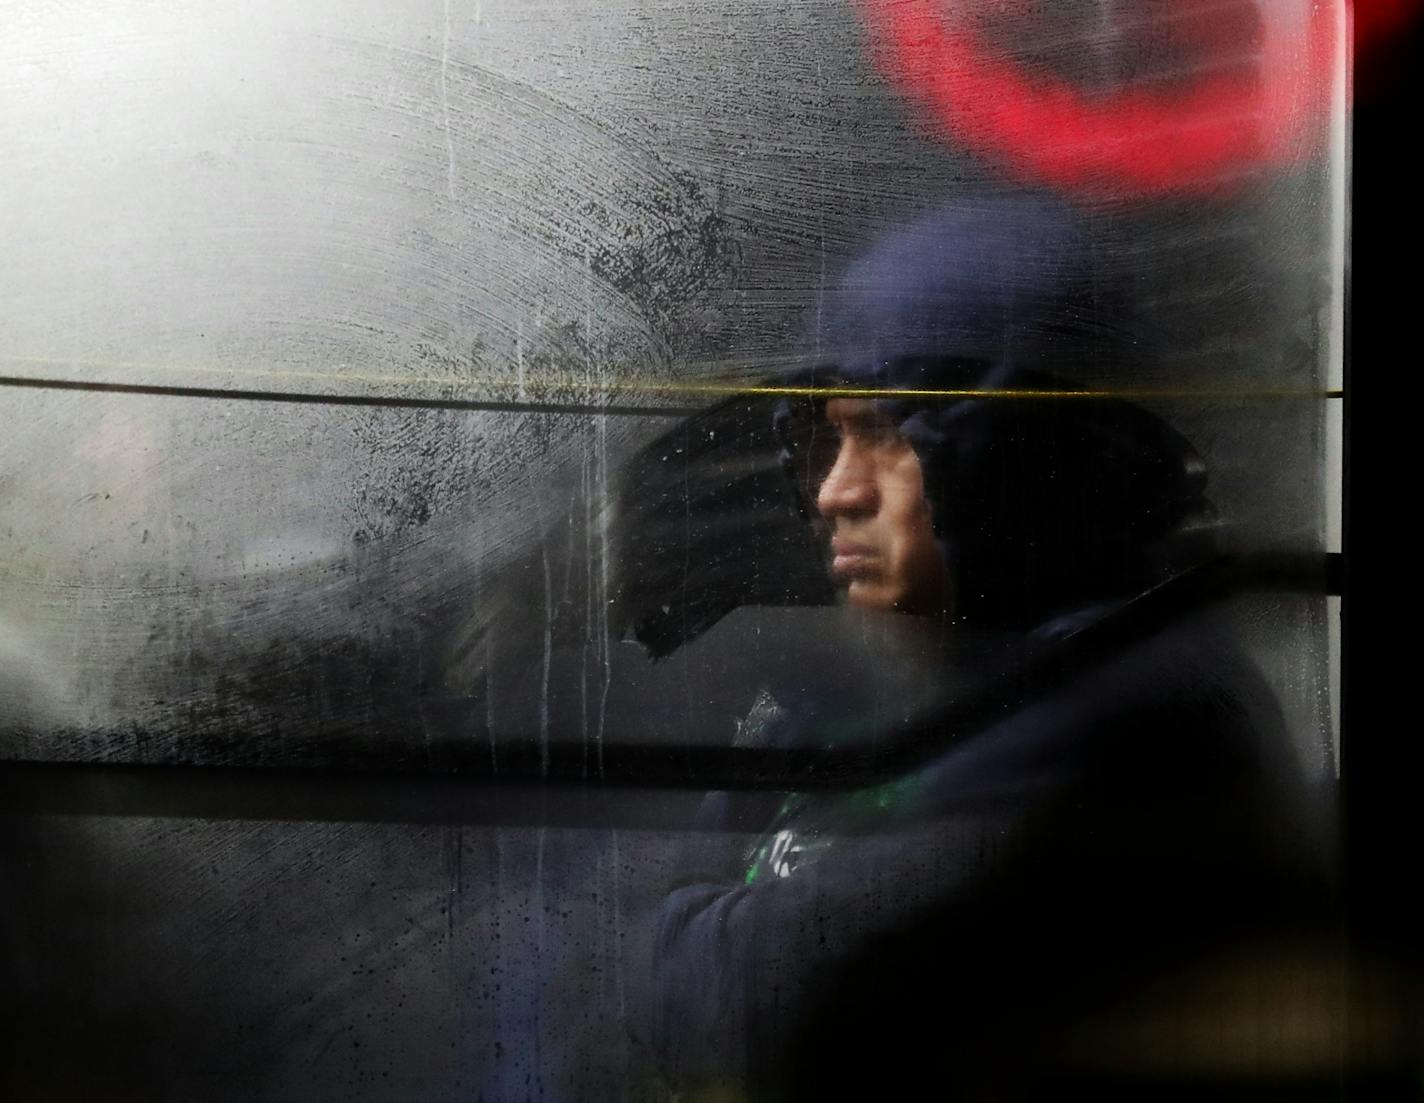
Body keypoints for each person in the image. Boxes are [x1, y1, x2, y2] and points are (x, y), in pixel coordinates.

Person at [625, 194, 1333, 1101]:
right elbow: (633, 959)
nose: (835, 492)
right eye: (820, 440)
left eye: (883, 432)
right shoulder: (912, 676)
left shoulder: (1140, 705)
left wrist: (684, 919)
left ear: (1010, 452)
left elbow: (751, 998)